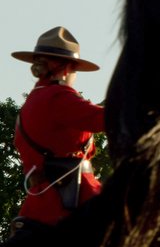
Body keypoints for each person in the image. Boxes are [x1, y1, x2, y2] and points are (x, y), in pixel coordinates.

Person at [7, 28, 105, 242]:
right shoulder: (58, 97)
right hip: (73, 204)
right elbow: (106, 119)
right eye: (76, 68)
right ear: (66, 67)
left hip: (38, 206)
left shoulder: (32, 102)